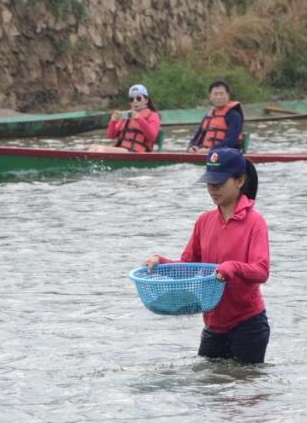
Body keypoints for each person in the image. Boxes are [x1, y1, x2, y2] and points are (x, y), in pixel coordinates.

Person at [143, 147, 270, 364]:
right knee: (208, 389)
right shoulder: (204, 221)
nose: (213, 189)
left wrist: (232, 267)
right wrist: (162, 263)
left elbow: (261, 271)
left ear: (239, 181)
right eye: (209, 183)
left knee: (244, 391)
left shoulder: (255, 222)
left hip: (248, 324)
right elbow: (188, 266)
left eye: (219, 183)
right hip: (214, 325)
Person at [92, 84, 161, 153]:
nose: (135, 101)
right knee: (93, 147)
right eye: (132, 99)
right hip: (123, 151)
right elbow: (111, 135)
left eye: (138, 98)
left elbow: (152, 137)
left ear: (146, 100)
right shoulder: (126, 117)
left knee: (100, 150)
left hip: (137, 153)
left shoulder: (153, 115)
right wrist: (113, 121)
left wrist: (139, 119)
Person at [187, 79, 244, 153]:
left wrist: (210, 150)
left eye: (221, 94)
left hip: (227, 154)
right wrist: (191, 147)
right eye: (215, 94)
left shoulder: (234, 116)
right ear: (210, 96)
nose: (218, 97)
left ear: (228, 95)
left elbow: (231, 141)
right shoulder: (208, 116)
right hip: (205, 153)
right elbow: (196, 138)